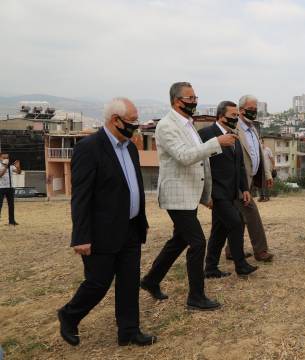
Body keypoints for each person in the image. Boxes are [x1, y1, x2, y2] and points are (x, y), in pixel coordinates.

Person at [57, 98, 155, 347]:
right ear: (115, 120)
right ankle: (69, 315)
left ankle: (129, 331)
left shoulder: (130, 147)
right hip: (102, 231)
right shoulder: (89, 148)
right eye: (132, 122)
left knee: (129, 282)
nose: (136, 127)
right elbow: (81, 196)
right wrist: (80, 236)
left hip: (131, 227)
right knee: (98, 283)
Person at [141, 82, 237, 311]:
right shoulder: (166, 126)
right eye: (190, 98)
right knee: (197, 241)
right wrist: (216, 143)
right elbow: (185, 156)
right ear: (177, 101)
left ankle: (151, 280)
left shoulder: (188, 124)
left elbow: (200, 162)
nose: (194, 101)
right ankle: (196, 296)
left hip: (190, 194)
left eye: (195, 97)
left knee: (179, 240)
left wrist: (205, 195)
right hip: (177, 195)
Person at [198, 101, 258, 278]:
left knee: (220, 230)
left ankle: (210, 267)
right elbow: (200, 164)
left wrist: (244, 189)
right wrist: (205, 194)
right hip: (216, 192)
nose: (236, 118)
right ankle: (240, 265)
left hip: (231, 192)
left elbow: (239, 165)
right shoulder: (206, 134)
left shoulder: (234, 135)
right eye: (232, 116)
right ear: (220, 116)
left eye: (236, 116)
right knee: (236, 222)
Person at [224, 95, 274, 262]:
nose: (254, 112)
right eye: (251, 109)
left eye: (255, 109)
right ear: (241, 110)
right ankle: (260, 251)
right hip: (238, 181)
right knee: (251, 214)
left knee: (239, 216)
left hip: (251, 179)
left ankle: (231, 250)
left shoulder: (253, 128)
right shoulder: (234, 128)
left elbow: (258, 153)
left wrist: (266, 174)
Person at [0, 153, 21, 225]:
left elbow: (18, 172)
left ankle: (12, 221)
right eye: (4, 157)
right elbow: (0, 175)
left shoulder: (11, 166)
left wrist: (18, 166)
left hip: (10, 187)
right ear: (0, 157)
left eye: (7, 157)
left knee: (11, 205)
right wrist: (5, 167)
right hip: (1, 188)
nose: (6, 158)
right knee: (0, 205)